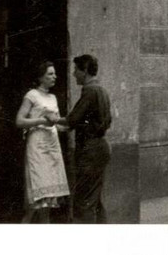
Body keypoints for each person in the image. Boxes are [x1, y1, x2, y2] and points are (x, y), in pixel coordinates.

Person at [49, 54, 111, 223]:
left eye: (76, 69)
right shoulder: (102, 90)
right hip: (101, 147)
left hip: (89, 150)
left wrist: (54, 119)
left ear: (85, 71)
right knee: (95, 199)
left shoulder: (89, 90)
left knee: (83, 201)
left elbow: (73, 119)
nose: (74, 73)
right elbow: (98, 120)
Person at [15, 60, 70, 223]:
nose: (55, 77)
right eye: (50, 74)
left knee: (48, 202)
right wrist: (41, 121)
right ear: (40, 77)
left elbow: (56, 123)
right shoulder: (32, 95)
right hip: (38, 147)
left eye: (55, 74)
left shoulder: (53, 97)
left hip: (53, 146)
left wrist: (67, 125)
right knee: (35, 201)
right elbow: (19, 121)